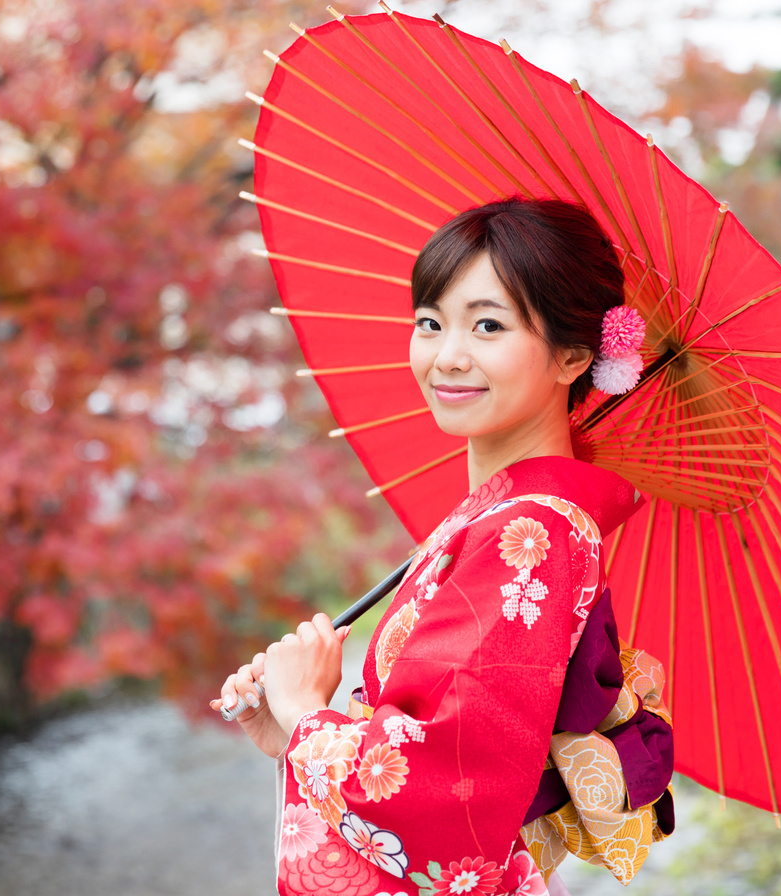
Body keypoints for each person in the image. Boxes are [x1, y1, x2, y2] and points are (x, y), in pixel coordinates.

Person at [210, 197, 675, 896]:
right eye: (430, 323)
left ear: (573, 355)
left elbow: (441, 790)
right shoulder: (501, 519)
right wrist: (298, 737)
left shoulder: (534, 536)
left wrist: (309, 715)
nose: (446, 356)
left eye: (487, 325)